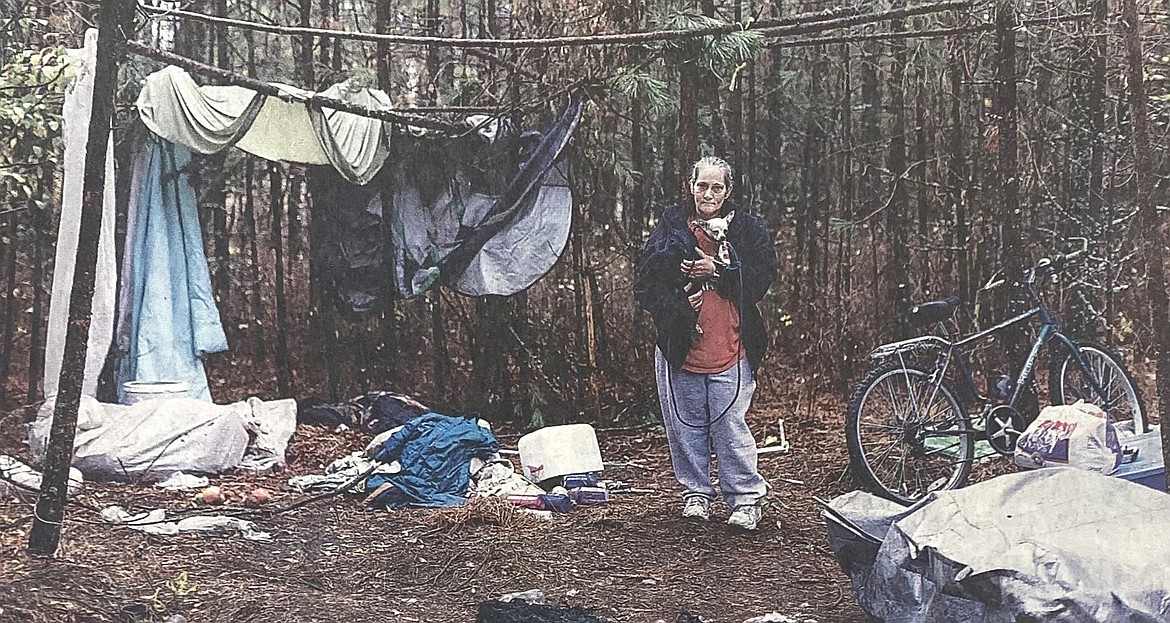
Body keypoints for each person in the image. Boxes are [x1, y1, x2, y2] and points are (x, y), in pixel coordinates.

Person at [634, 156, 778, 531]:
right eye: (702, 185)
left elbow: (762, 279)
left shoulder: (747, 229)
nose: (708, 193)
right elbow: (646, 284)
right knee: (685, 425)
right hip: (679, 345)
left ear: (727, 191)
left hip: (730, 344)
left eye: (717, 187)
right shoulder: (671, 224)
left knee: (730, 424)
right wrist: (680, 303)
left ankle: (746, 500)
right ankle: (696, 493)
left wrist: (720, 271)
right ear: (691, 185)